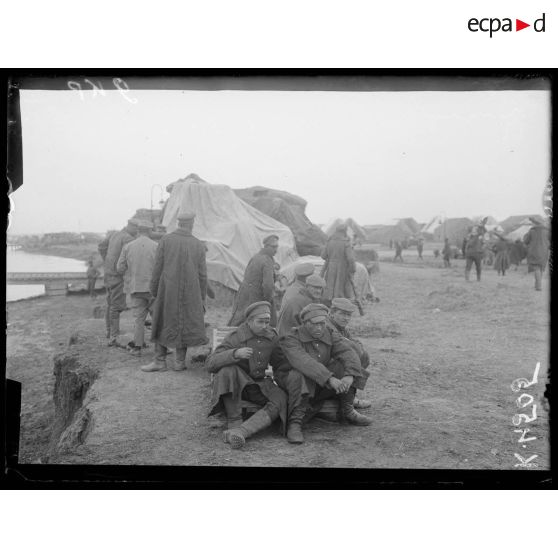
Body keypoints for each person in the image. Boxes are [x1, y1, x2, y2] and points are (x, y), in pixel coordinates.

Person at [277, 303, 371, 444]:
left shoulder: (329, 333)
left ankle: (347, 410)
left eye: (322, 323)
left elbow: (347, 351)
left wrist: (349, 375)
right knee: (301, 374)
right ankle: (295, 423)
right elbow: (305, 362)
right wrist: (330, 379)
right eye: (315, 324)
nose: (319, 327)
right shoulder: (291, 338)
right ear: (305, 322)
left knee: (343, 365)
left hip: (319, 381)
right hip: (293, 381)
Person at [206, 301, 289, 449]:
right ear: (249, 321)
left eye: (267, 322)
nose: (264, 326)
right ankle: (234, 421)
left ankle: (240, 432)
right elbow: (210, 363)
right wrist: (235, 353)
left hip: (258, 385)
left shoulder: (272, 336)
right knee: (227, 371)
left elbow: (280, 363)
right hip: (236, 386)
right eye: (260, 322)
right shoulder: (236, 337)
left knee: (281, 398)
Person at [141, 211, 208, 372]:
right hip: (191, 292)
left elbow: (157, 267)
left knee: (162, 321)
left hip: (167, 290)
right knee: (184, 323)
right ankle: (179, 362)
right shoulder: (198, 244)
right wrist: (202, 297)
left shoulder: (166, 240)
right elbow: (203, 274)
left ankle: (160, 361)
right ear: (191, 224)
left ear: (179, 223)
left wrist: (154, 289)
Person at [116, 219, 158, 356]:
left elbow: (120, 268)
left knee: (139, 319)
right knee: (157, 318)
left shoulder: (128, 246)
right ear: (150, 231)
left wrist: (131, 272)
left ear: (138, 231)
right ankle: (161, 348)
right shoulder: (156, 246)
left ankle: (137, 348)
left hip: (136, 288)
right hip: (153, 289)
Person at [98, 219, 138, 345]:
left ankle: (109, 331)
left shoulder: (114, 234)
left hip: (108, 274)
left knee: (110, 304)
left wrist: (107, 261)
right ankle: (114, 336)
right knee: (116, 306)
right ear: (131, 227)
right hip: (117, 276)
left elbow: (101, 246)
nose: (137, 232)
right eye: (136, 229)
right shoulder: (128, 238)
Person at [327, 298, 372, 409]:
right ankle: (346, 402)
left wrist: (356, 347)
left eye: (348, 315)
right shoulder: (329, 327)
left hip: (334, 363)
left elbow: (355, 342)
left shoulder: (340, 327)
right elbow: (351, 348)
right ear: (332, 313)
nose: (346, 318)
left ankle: (348, 397)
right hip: (325, 369)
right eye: (342, 314)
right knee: (355, 357)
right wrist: (356, 347)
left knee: (362, 355)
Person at [228, 235, 280, 327]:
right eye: (273, 247)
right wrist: (267, 301)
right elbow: (268, 285)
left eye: (277, 247)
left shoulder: (256, 257)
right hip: (256, 295)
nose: (276, 250)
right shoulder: (267, 260)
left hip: (244, 293)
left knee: (240, 319)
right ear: (266, 246)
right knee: (264, 321)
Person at [320, 223, 356, 303]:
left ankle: (329, 301)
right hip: (342, 268)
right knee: (340, 287)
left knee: (330, 285)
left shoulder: (329, 241)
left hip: (330, 267)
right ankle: (339, 303)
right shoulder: (346, 242)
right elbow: (350, 258)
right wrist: (352, 269)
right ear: (344, 231)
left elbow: (323, 256)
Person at [523, 216, 550, 291]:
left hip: (534, 251)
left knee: (536, 268)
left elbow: (525, 241)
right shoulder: (547, 231)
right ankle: (537, 285)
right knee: (540, 267)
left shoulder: (532, 231)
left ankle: (538, 286)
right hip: (544, 251)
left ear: (534, 223)